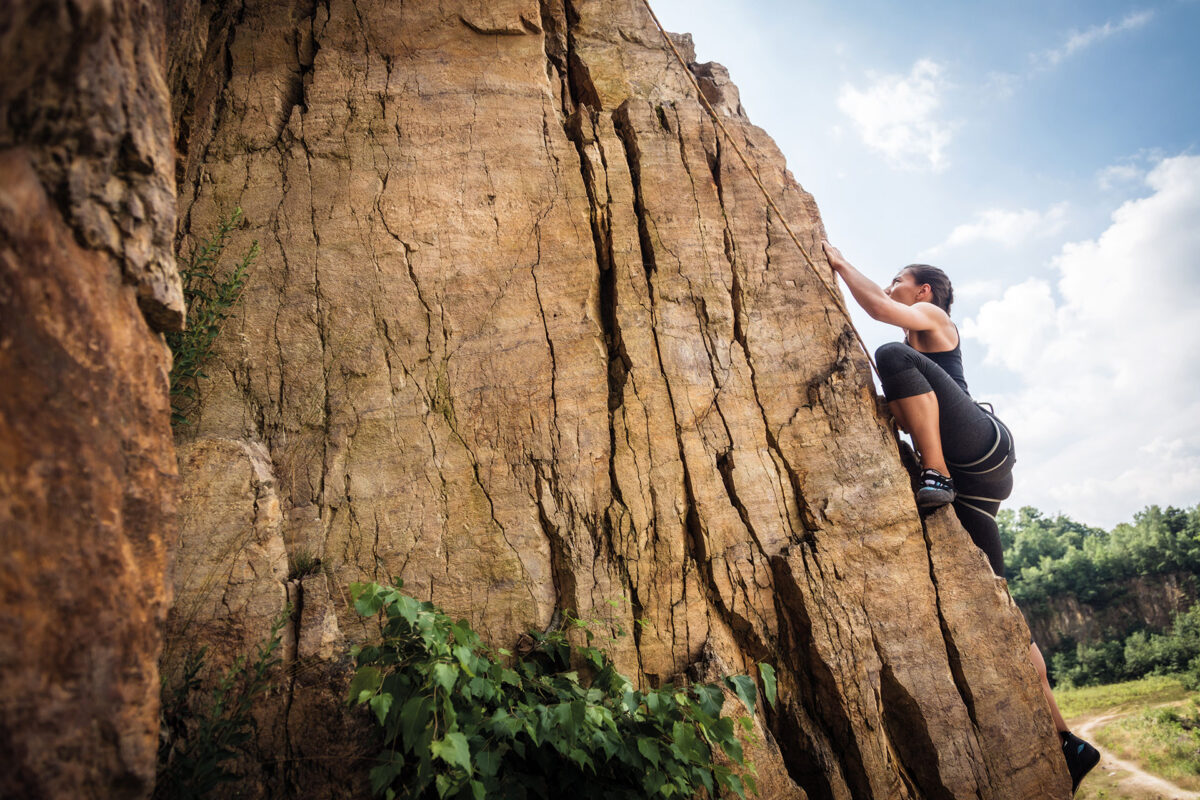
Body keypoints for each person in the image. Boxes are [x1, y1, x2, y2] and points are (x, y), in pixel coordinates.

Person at [821, 240, 1100, 794]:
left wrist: (837, 260)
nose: (892, 285)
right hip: (980, 492)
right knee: (1002, 613)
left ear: (923, 291)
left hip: (980, 452)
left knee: (891, 354)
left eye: (899, 279)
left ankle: (936, 473)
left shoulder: (932, 318)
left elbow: (878, 307)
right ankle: (1068, 740)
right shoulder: (918, 361)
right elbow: (882, 304)